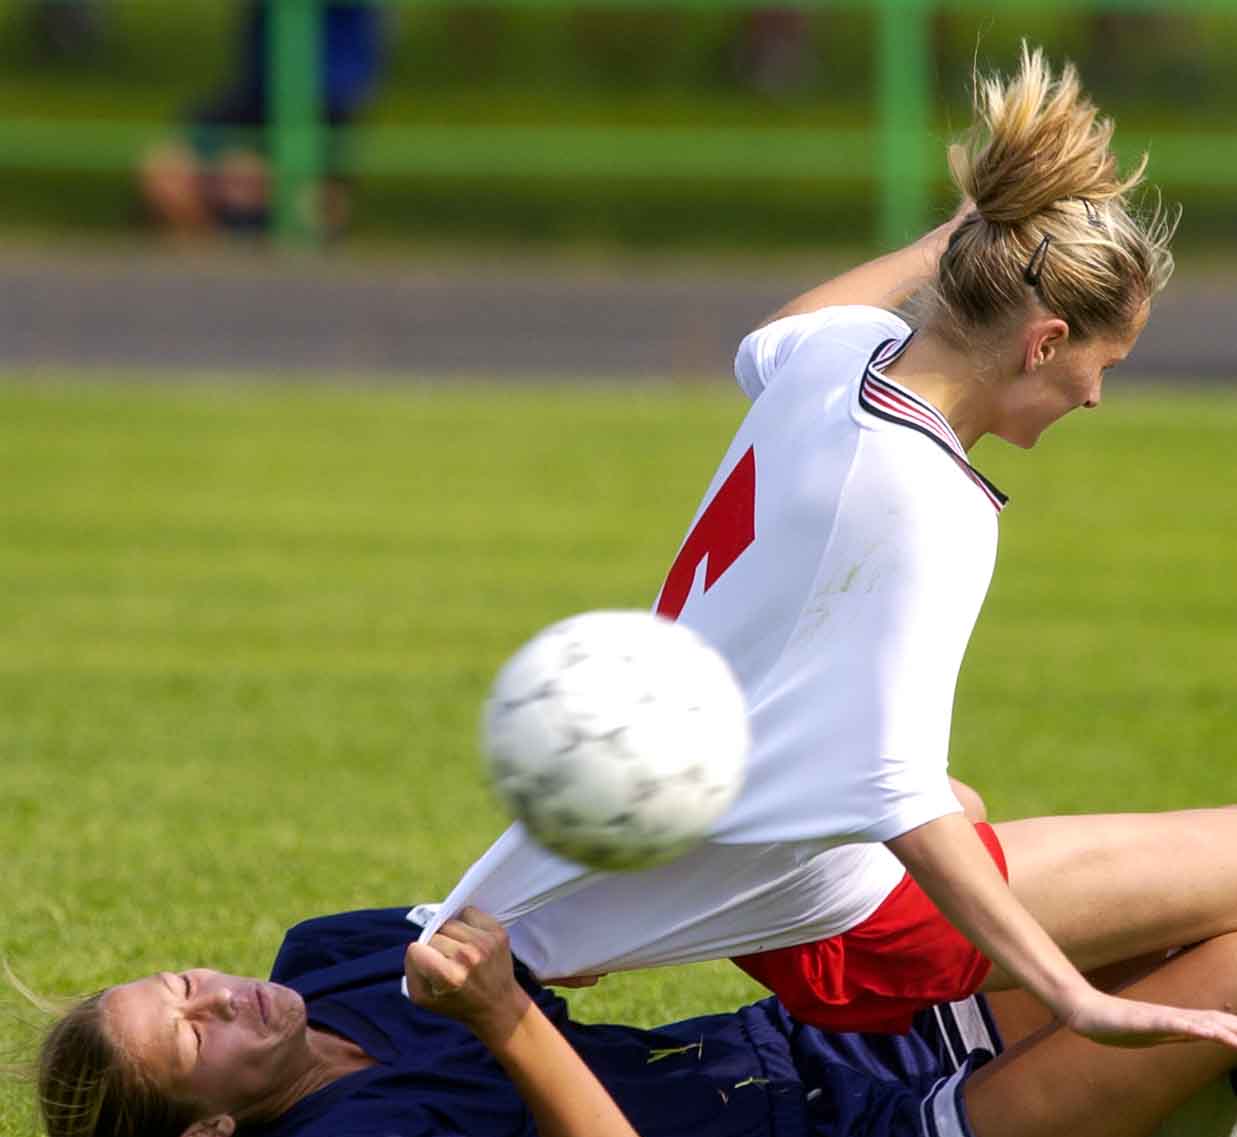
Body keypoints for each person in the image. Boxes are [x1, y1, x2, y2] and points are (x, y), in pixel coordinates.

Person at [419, 45, 1237, 1055]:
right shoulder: (930, 501)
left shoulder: (838, 359)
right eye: (1098, 365)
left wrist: (961, 239)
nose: (1095, 397)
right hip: (850, 923)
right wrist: (1076, 997)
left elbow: (770, 335)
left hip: (762, 852)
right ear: (1042, 342)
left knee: (982, 808)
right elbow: (887, 787)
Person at [7, 903, 1237, 1137]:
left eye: (188, 982)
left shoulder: (325, 959)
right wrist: (504, 1018)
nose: (222, 993)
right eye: (197, 1031)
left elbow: (549, 939)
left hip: (834, 1041)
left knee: (1190, 914)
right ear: (206, 1129)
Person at [139, 1, 386, 238]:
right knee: (167, 170)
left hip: (325, 98)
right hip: (258, 91)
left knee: (311, 204)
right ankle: (213, 268)